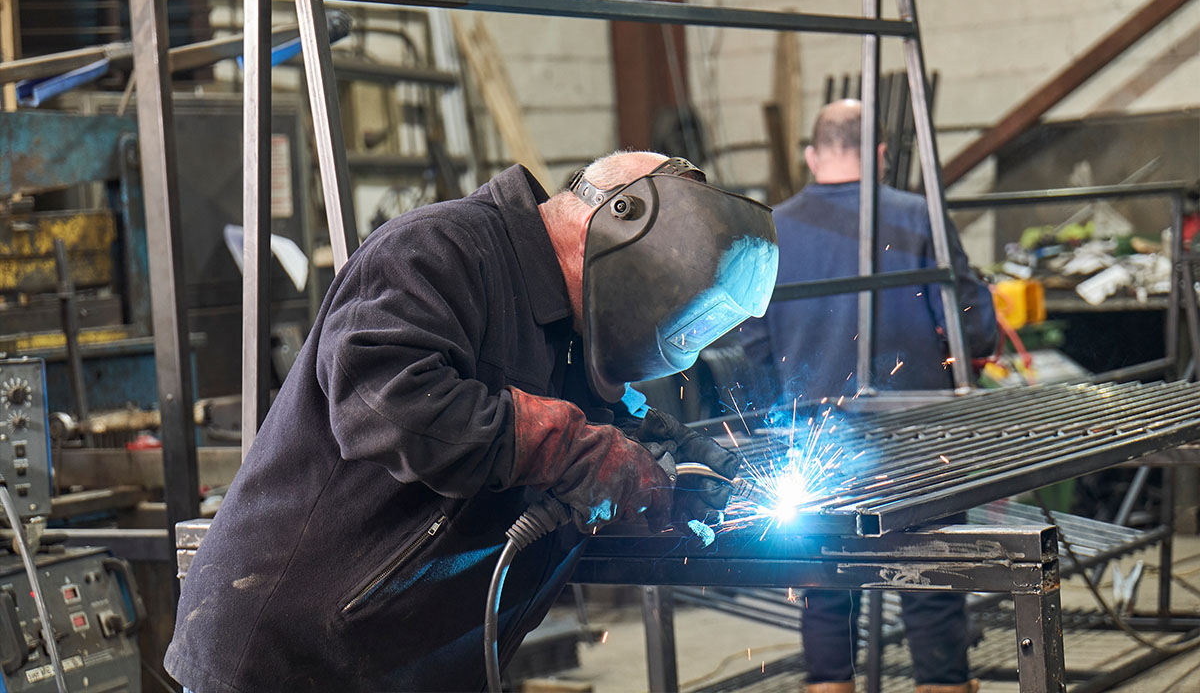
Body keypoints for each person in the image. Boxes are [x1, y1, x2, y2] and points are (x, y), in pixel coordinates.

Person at [165, 151, 778, 693]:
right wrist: (575, 451)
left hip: (408, 663)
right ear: (621, 221)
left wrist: (689, 460)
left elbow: (605, 423)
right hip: (298, 659)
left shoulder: (569, 329)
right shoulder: (438, 250)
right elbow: (389, 405)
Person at [740, 100, 997, 693]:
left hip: (812, 430)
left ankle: (829, 684)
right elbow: (971, 327)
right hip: (917, 429)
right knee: (931, 567)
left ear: (812, 156)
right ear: (879, 155)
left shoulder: (772, 229)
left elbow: (753, 341)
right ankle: (942, 684)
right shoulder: (918, 215)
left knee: (824, 574)